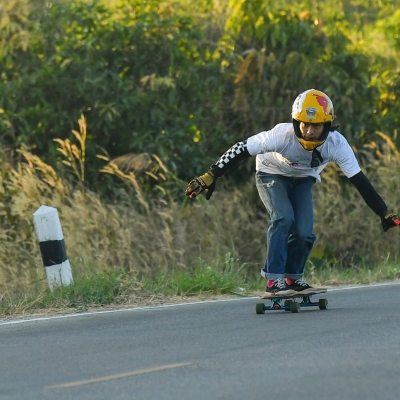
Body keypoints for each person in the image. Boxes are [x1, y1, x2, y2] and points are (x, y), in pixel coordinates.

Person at [185, 89, 400, 298]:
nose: (308, 131)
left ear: (328, 126)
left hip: (303, 179)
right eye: (304, 124)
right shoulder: (281, 135)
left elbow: (360, 181)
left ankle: (292, 278)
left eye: (316, 126)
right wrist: (211, 174)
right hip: (271, 174)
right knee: (283, 217)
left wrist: (383, 211)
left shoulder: (337, 145)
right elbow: (241, 148)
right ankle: (274, 280)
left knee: (304, 231)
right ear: (296, 122)